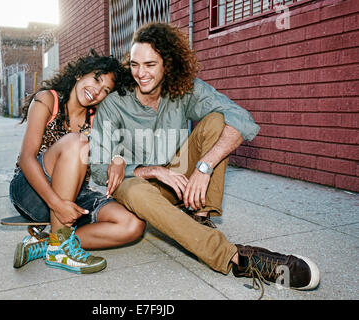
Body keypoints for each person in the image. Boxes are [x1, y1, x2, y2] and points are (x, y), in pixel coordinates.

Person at [89, 23, 320, 298]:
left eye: (150, 64)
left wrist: (203, 166)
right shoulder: (114, 104)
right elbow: (99, 169)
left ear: (168, 64)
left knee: (217, 121)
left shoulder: (183, 90)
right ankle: (238, 259)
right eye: (136, 65)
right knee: (133, 188)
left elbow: (240, 118)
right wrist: (153, 171)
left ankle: (198, 215)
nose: (141, 73)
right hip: (137, 184)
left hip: (181, 179)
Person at [9, 50, 145, 274]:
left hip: (74, 195)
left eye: (105, 91)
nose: (97, 91)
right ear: (79, 74)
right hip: (32, 191)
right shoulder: (48, 100)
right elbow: (26, 159)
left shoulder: (96, 118)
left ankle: (49, 243)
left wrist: (118, 158)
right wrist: (57, 203)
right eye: (96, 79)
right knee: (77, 142)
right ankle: (60, 249)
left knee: (132, 226)